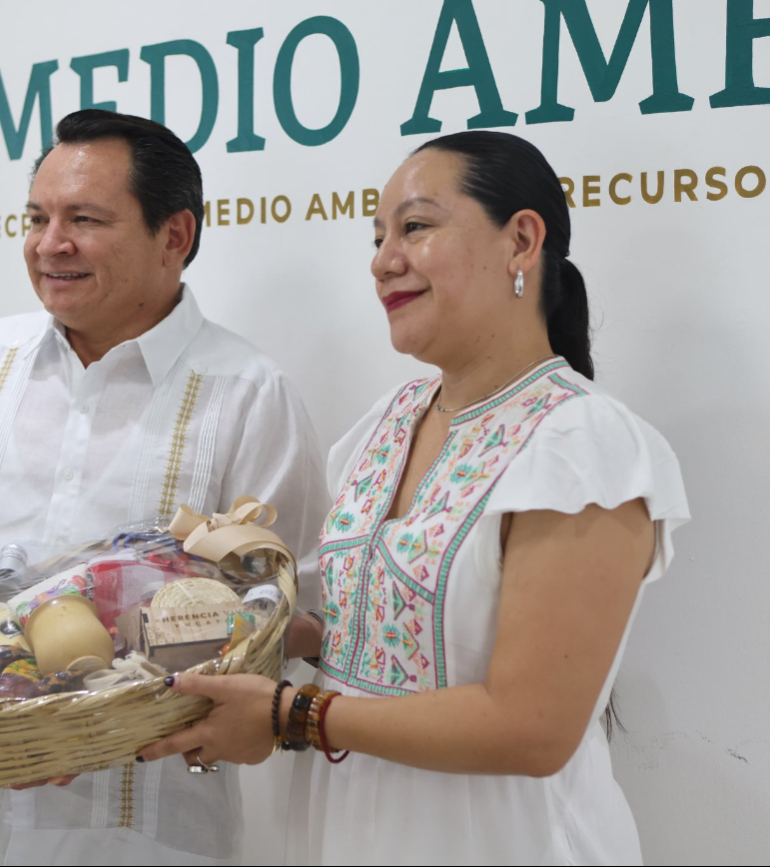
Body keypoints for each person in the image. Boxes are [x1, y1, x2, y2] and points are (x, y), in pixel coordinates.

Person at [140, 130, 691, 865]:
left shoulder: (583, 446)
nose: (382, 261)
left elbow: (530, 726)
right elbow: (384, 631)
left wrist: (288, 714)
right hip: (347, 829)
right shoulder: (389, 420)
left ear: (520, 240)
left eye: (416, 227)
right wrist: (251, 635)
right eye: (376, 238)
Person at [0, 109, 329, 866]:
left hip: (144, 836)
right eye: (36, 217)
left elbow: (294, 609)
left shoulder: (248, 394)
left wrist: (146, 695)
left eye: (84, 219)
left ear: (175, 236)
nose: (48, 243)